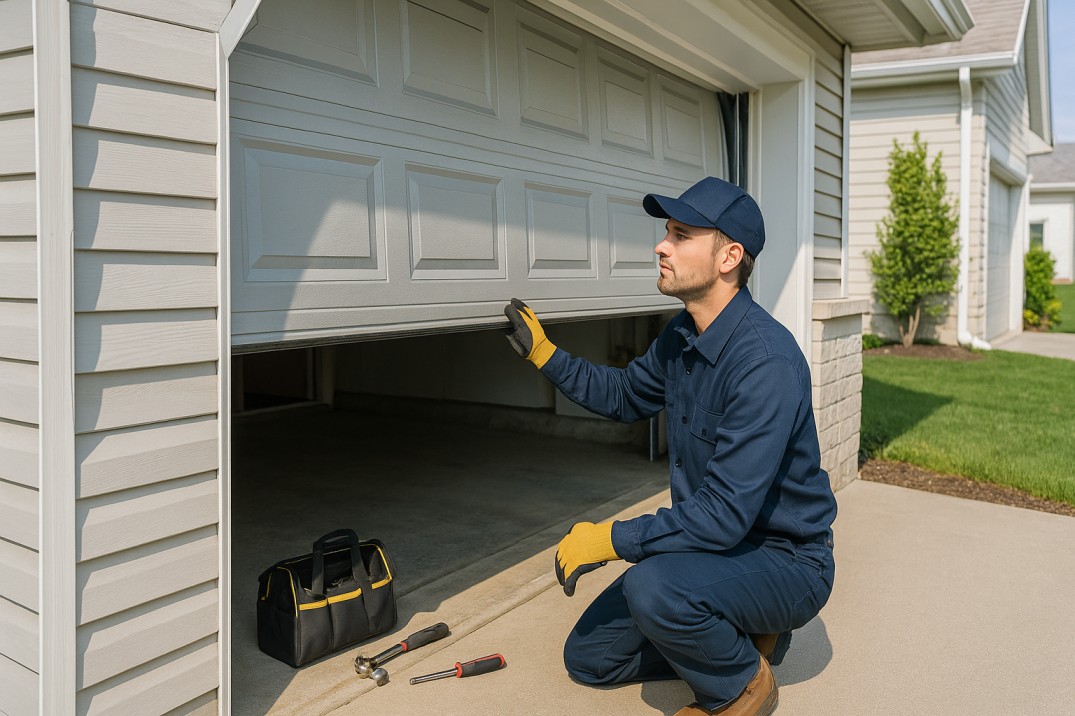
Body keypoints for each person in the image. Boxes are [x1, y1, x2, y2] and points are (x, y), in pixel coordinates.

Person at [503, 176, 837, 715]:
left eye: (681, 235)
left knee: (655, 587)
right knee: (589, 656)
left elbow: (722, 516)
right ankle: (737, 632)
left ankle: (739, 684)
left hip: (785, 561)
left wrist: (611, 538)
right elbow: (623, 395)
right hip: (714, 549)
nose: (661, 246)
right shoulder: (682, 336)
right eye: (666, 232)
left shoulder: (764, 364)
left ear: (729, 256)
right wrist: (546, 355)